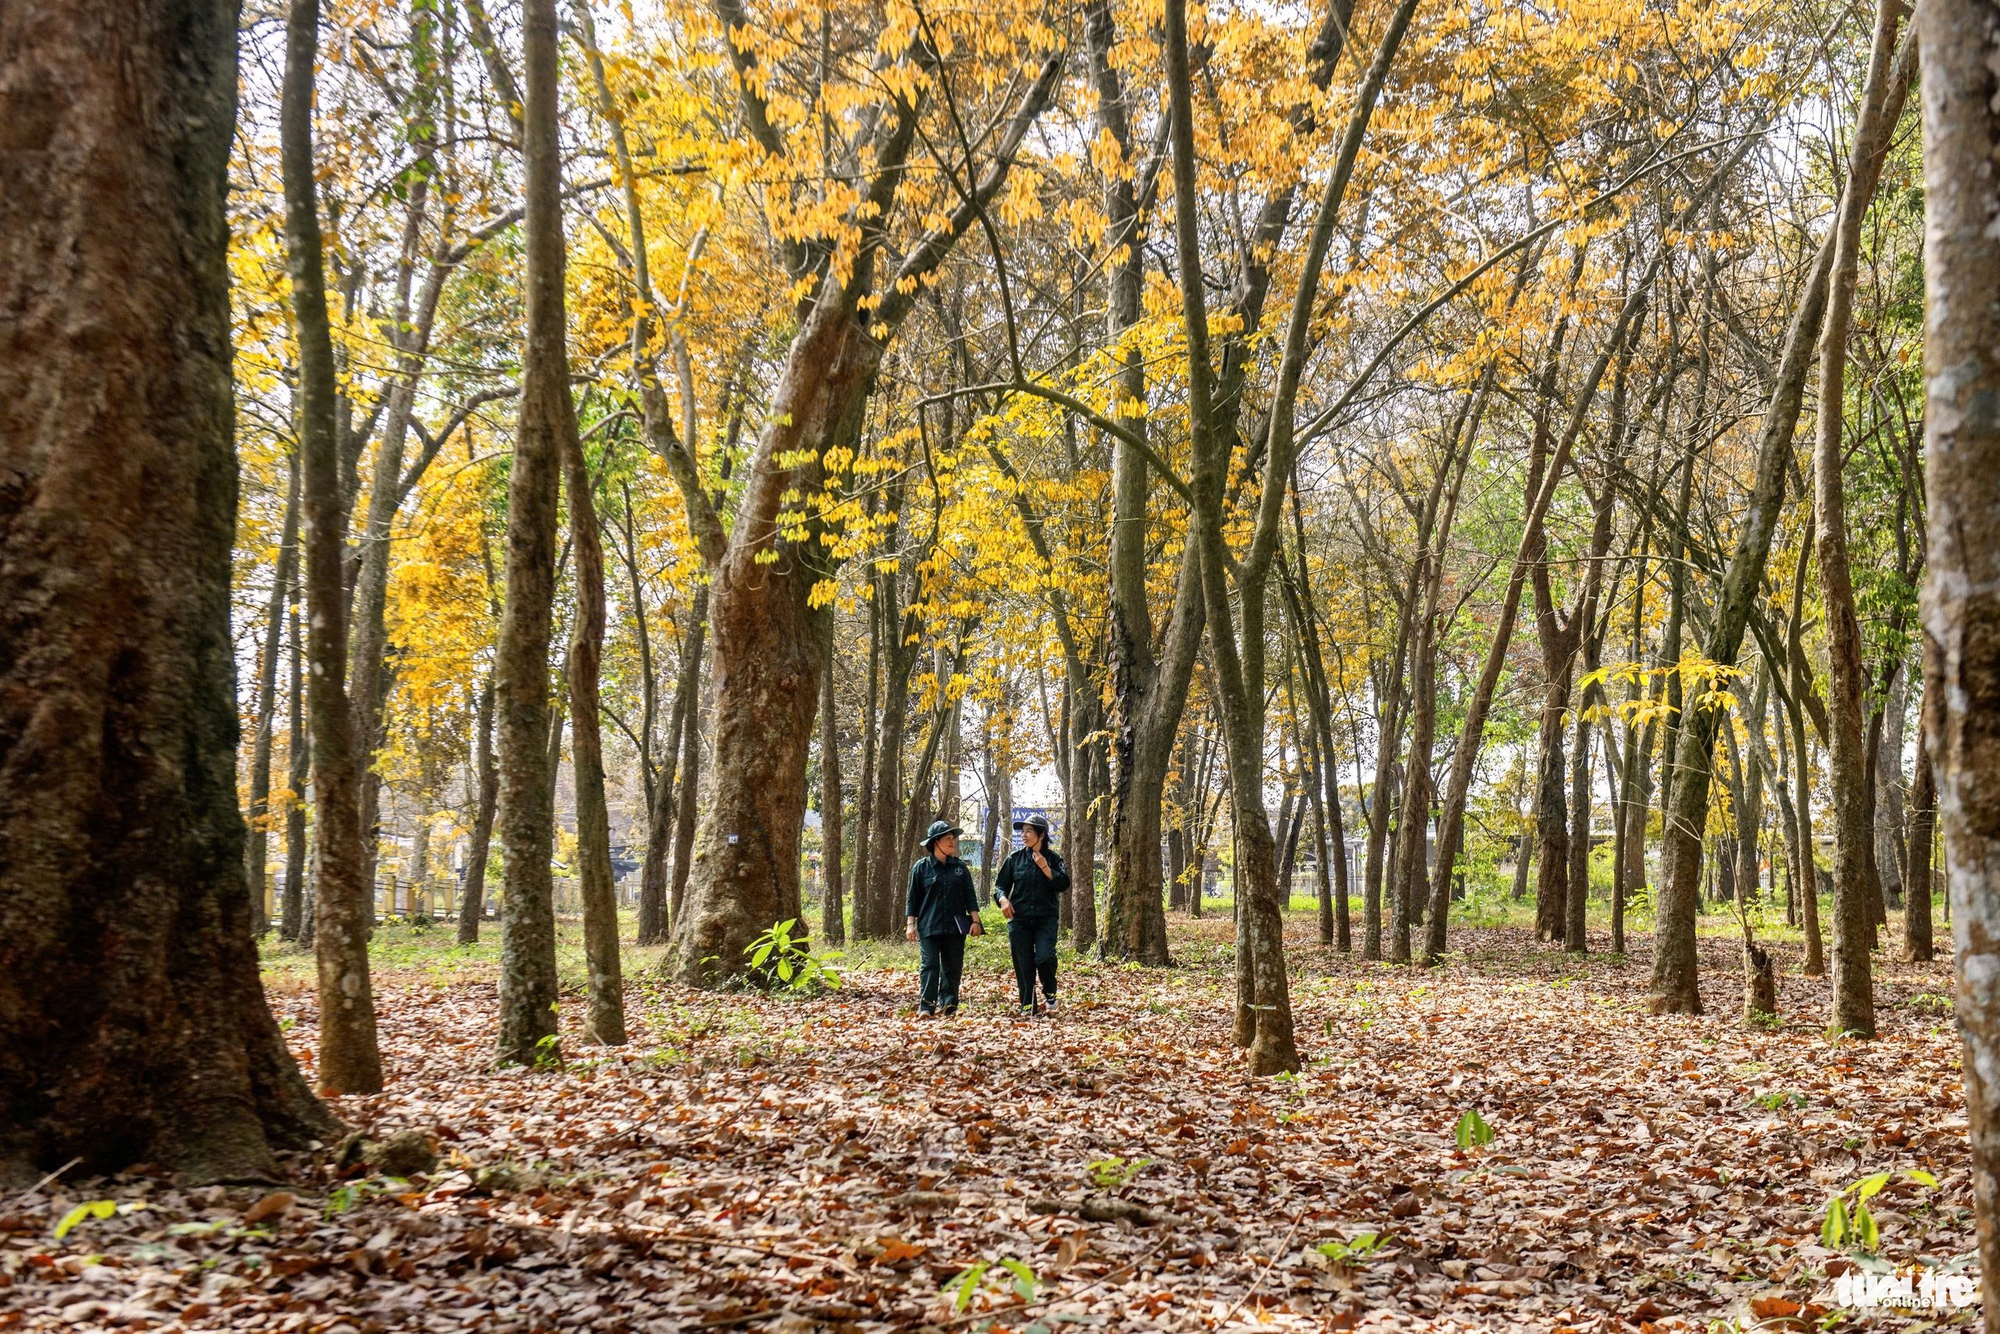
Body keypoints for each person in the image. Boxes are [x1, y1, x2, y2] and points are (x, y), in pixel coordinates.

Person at [995, 813, 1069, 1016]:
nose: (1024, 835)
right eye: (1022, 831)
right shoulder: (1014, 859)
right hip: (1019, 920)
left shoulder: (1054, 859)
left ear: (1041, 835)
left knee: (1045, 958)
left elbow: (1064, 883)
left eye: (1028, 831)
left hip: (1046, 919)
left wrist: (1045, 867)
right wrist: (1003, 899)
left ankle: (1050, 993)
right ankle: (1028, 1005)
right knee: (1023, 963)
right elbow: (1000, 885)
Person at [906, 820, 983, 1016]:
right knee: (929, 965)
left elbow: (970, 897)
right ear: (935, 842)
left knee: (952, 966)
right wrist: (910, 924)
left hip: (955, 928)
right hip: (929, 926)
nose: (952, 842)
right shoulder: (921, 868)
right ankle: (927, 1006)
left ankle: (949, 1005)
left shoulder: (960, 868)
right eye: (947, 838)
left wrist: (975, 921)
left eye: (952, 838)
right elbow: (912, 899)